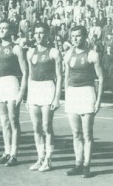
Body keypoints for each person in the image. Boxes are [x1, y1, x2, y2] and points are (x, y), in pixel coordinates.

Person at [64, 26, 103, 178]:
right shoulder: (68, 54)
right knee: (76, 133)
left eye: (78, 36)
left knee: (87, 134)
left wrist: (98, 100)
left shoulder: (92, 54)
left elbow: (100, 78)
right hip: (73, 94)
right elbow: (66, 77)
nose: (75, 39)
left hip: (87, 93)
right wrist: (67, 94)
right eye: (73, 36)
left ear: (85, 37)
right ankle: (78, 163)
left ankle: (87, 165)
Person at [27, 23, 62, 172]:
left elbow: (60, 76)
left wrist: (56, 98)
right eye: (36, 33)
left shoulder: (53, 52)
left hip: (48, 88)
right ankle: (40, 158)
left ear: (47, 35)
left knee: (47, 126)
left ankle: (49, 159)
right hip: (34, 89)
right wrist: (28, 96)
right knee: (36, 127)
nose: (39, 35)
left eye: (42, 33)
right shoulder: (30, 52)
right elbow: (29, 75)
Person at [0, 21, 28, 167]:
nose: (1, 30)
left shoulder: (16, 48)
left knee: (13, 121)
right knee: (4, 122)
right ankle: (6, 152)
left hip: (11, 84)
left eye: (5, 28)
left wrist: (21, 93)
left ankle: (14, 154)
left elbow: (25, 72)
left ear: (11, 31)